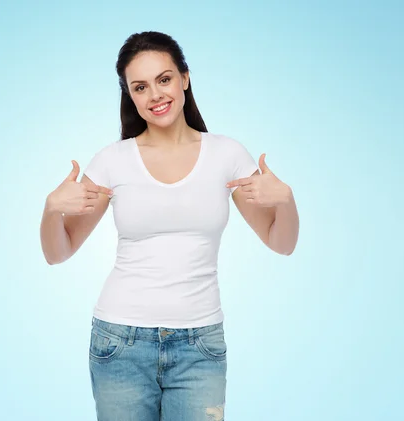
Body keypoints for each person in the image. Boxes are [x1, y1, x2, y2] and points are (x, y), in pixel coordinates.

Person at [40, 31, 299, 421]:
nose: (155, 95)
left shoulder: (226, 154)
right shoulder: (113, 161)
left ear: (185, 78)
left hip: (200, 346)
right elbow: (57, 253)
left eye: (164, 79)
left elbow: (282, 243)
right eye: (140, 87)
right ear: (130, 95)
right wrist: (51, 210)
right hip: (120, 341)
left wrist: (286, 199)